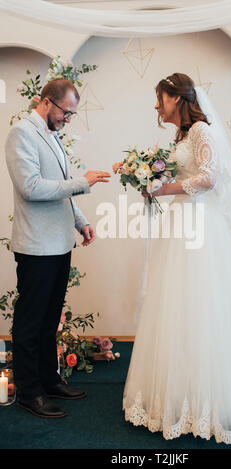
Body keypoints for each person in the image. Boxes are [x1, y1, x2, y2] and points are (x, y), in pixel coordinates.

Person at [115, 73, 231, 444]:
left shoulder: (202, 132)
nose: (156, 105)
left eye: (160, 98)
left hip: (203, 228)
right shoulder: (182, 136)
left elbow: (209, 178)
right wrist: (151, 181)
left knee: (204, 302)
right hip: (184, 223)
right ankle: (181, 389)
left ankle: (214, 397)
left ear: (176, 98)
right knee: (178, 305)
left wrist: (162, 187)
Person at [5, 78, 111, 418]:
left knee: (50, 320)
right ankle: (29, 392)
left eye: (72, 114)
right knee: (30, 322)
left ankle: (50, 381)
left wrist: (81, 221)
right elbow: (31, 187)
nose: (68, 119)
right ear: (46, 102)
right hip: (36, 246)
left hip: (59, 243)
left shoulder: (52, 135)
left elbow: (60, 190)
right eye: (66, 112)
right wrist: (85, 182)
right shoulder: (22, 132)